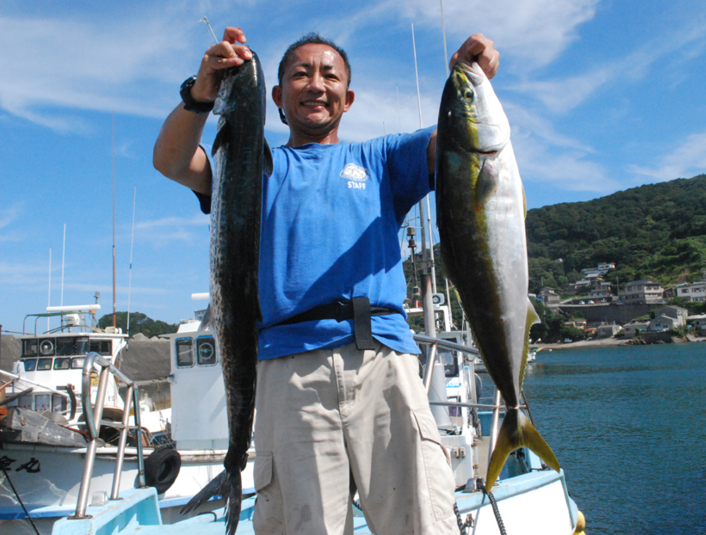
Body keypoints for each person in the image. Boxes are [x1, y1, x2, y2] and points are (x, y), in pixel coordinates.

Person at [154, 28, 499, 535]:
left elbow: (460, 137)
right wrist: (201, 92)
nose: (316, 84)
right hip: (290, 372)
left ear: (348, 97)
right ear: (276, 98)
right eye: (300, 74)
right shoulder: (252, 169)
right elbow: (172, 160)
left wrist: (473, 76)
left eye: (329, 75)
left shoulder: (382, 159)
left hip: (384, 359)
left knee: (422, 520)